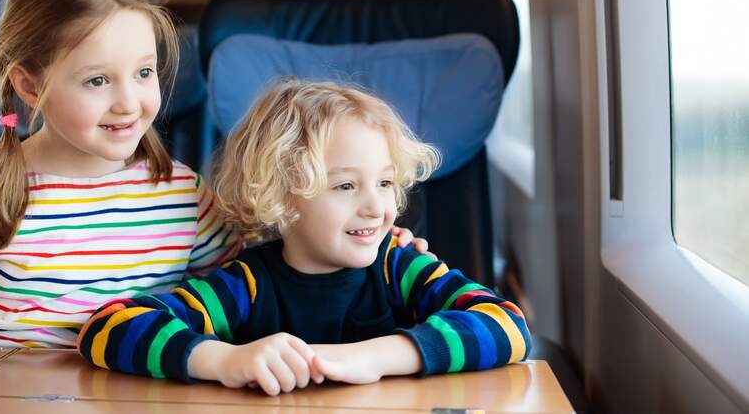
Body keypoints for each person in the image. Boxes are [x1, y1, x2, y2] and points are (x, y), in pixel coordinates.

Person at [0, 0, 426, 348]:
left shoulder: (183, 194)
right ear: (28, 87)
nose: (130, 102)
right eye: (97, 80)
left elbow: (258, 288)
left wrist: (378, 248)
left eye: (144, 73)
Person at [76, 80, 530, 395]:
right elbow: (107, 328)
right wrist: (224, 362)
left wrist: (378, 356)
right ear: (283, 200)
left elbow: (509, 325)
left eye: (386, 183)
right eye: (346, 186)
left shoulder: (400, 266)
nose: (377, 207)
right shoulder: (245, 287)